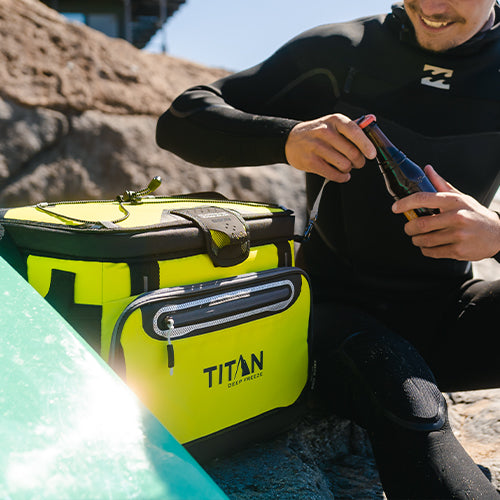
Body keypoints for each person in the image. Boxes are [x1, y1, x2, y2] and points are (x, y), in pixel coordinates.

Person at [156, 1, 500, 497]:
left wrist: (494, 234)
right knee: (408, 401)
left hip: (449, 315)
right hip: (333, 316)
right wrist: (287, 138)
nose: (433, 5)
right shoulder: (343, 51)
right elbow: (181, 117)